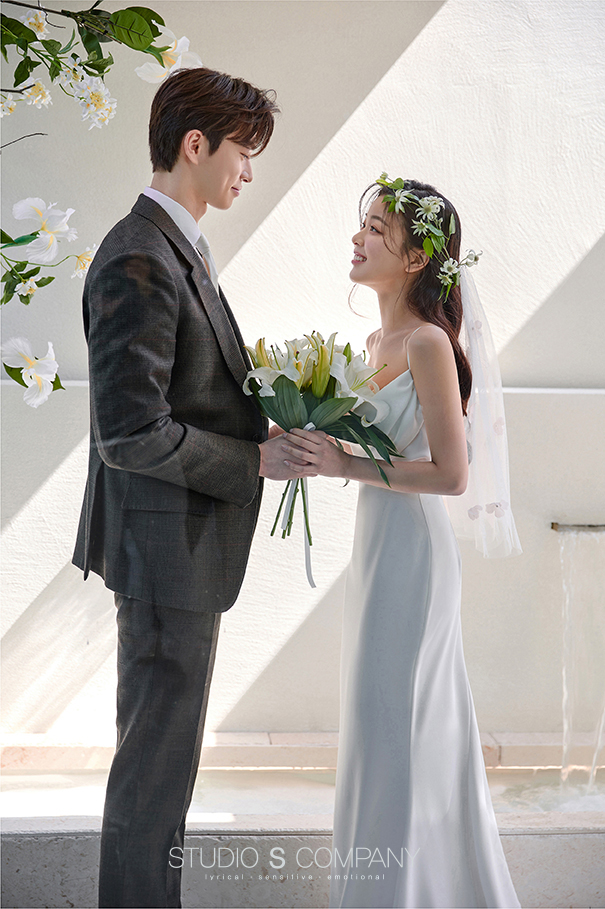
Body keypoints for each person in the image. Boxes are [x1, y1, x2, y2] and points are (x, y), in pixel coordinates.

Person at [72, 67, 311, 908]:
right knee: (152, 776)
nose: (249, 172)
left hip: (178, 552)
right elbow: (130, 432)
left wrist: (263, 431)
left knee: (164, 772)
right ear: (195, 144)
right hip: (161, 554)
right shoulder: (138, 256)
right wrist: (252, 463)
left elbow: (183, 399)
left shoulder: (175, 246)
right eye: (244, 151)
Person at [281, 177, 522, 908]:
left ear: (417, 258)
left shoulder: (426, 343)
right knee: (375, 728)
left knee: (400, 730)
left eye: (376, 229)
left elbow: (451, 473)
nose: (358, 238)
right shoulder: (371, 343)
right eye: (363, 224)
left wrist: (345, 465)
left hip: (414, 558)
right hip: (376, 550)